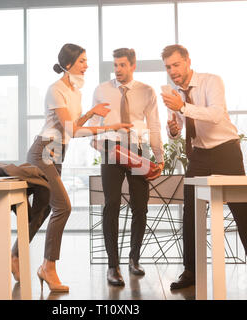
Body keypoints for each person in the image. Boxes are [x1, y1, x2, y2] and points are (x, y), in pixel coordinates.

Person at [160, 44, 247, 293]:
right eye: (168, 67)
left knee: (241, 210)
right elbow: (176, 129)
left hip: (226, 151)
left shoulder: (211, 81)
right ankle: (191, 271)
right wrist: (173, 130)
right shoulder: (174, 94)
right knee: (191, 212)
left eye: (176, 64)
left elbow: (216, 115)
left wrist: (182, 107)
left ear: (187, 61)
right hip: (199, 155)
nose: (173, 71)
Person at [27, 43, 132, 292]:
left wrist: (90, 112)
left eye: (86, 61)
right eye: (83, 61)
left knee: (42, 212)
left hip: (58, 153)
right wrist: (110, 126)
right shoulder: (56, 90)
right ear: (69, 64)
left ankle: (15, 255)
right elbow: (72, 130)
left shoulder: (75, 91)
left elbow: (71, 126)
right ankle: (48, 267)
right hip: (43, 152)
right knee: (63, 207)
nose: (87, 65)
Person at [90, 48, 164, 286]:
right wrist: (95, 139)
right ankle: (113, 266)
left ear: (133, 65)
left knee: (140, 207)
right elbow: (93, 122)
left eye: (122, 65)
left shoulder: (146, 91)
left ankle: (134, 259)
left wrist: (159, 157)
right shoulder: (102, 90)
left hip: (137, 150)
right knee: (111, 204)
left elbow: (154, 125)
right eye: (115, 65)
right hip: (111, 150)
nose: (118, 69)